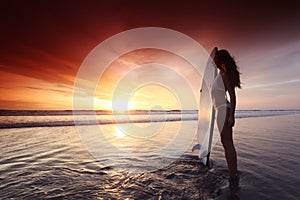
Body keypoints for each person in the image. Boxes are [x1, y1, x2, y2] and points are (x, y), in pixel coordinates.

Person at [211, 47, 241, 188]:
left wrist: (232, 116)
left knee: (228, 143)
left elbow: (232, 96)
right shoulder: (219, 73)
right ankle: (232, 173)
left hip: (224, 110)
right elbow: (212, 58)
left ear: (220, 60)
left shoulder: (225, 74)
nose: (214, 61)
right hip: (220, 110)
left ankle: (233, 175)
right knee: (225, 142)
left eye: (216, 59)